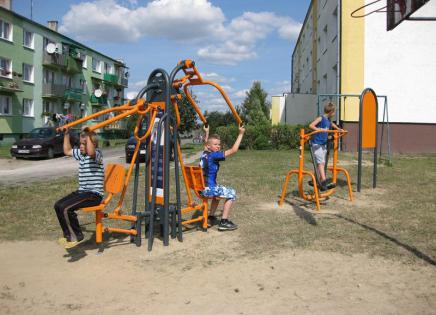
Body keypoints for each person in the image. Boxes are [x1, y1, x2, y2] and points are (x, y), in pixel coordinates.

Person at [54, 128, 104, 249]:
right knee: (58, 205)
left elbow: (91, 152)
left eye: (84, 143)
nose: (81, 146)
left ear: (93, 144)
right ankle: (69, 235)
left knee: (66, 209)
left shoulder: (97, 154)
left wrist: (88, 134)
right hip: (82, 192)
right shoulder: (81, 155)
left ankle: (76, 235)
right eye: (80, 143)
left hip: (94, 195)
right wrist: (66, 134)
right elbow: (67, 150)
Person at [200, 126, 245, 231]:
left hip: (201, 188)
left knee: (217, 193)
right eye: (215, 145)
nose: (218, 146)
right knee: (232, 193)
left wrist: (207, 132)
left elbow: (206, 144)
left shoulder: (205, 153)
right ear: (209, 146)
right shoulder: (214, 155)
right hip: (208, 189)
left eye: (219, 144)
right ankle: (224, 222)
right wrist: (241, 133)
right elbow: (233, 150)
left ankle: (210, 217)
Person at [309, 102, 342, 191]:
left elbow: (332, 125)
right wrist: (318, 129)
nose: (335, 114)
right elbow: (311, 125)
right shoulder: (321, 118)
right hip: (316, 143)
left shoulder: (328, 121)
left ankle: (314, 180)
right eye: (334, 112)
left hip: (323, 144)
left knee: (322, 163)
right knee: (320, 163)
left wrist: (338, 129)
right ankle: (323, 182)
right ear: (330, 111)